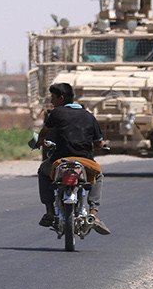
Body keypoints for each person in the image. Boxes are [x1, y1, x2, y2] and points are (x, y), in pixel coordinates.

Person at [34, 81, 110, 234]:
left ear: (61, 98)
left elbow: (44, 132)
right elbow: (98, 142)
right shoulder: (89, 116)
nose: (51, 101)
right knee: (98, 175)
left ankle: (49, 211)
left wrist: (40, 142)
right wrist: (101, 145)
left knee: (43, 171)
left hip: (60, 160)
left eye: (53, 98)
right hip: (85, 161)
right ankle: (93, 213)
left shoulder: (56, 113)